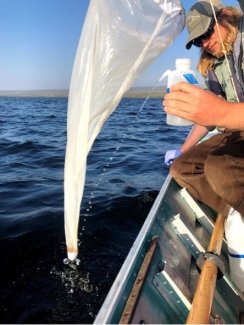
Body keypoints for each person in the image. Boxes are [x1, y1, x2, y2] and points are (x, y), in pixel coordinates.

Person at [163, 0, 244, 220]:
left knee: (220, 168)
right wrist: (184, 149)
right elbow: (209, 116)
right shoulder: (212, 65)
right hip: (236, 130)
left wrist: (222, 113)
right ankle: (233, 213)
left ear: (225, 17)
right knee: (183, 168)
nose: (205, 43)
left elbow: (220, 113)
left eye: (207, 32)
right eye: (199, 40)